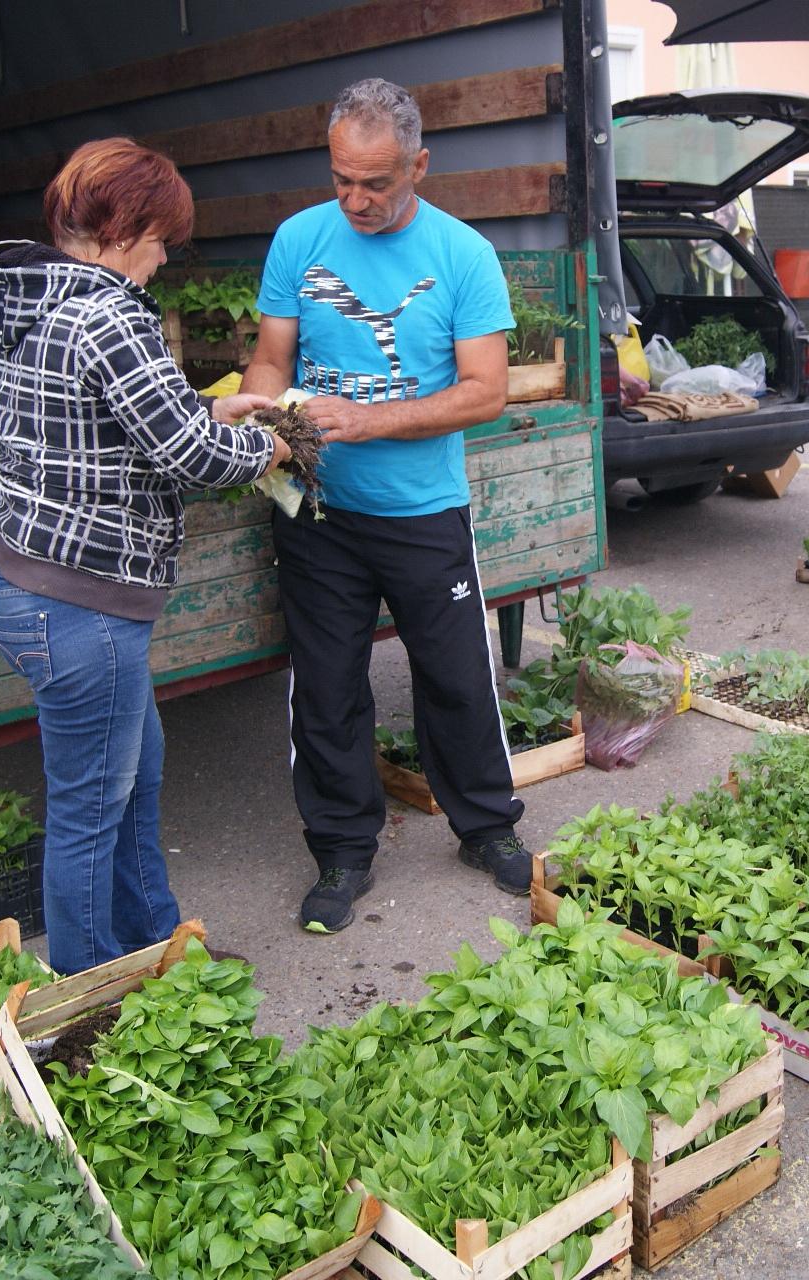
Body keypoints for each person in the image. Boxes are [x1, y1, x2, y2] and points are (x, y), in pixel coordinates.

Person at [0, 137, 289, 974]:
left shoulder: (39, 296)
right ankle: (86, 1000)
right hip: (83, 606)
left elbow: (109, 424)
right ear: (124, 227)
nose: (163, 260)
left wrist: (211, 413)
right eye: (161, 241)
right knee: (90, 810)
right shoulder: (110, 312)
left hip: (28, 586)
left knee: (134, 777)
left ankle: (156, 943)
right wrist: (271, 449)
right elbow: (188, 458)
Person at [241, 79, 529, 934]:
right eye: (341, 180)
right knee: (326, 688)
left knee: (456, 677)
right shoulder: (299, 239)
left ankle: (485, 826)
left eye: (376, 182)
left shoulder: (463, 255)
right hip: (317, 513)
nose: (356, 201)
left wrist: (368, 421)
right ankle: (340, 849)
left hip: (422, 511)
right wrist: (262, 414)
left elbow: (485, 394)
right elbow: (268, 357)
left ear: (419, 164)